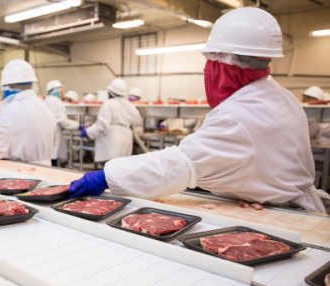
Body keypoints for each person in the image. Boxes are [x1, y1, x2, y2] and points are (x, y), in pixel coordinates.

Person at [67, 8, 326, 213]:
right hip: (271, 203)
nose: (207, 69)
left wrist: (106, 177)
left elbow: (179, 165)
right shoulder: (279, 96)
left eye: (209, 60)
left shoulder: (240, 114)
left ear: (224, 62)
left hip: (276, 213)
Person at [0, 59, 56, 166]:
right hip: (47, 171)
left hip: (21, 174)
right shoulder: (46, 109)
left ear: (7, 88)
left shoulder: (11, 113)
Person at [80, 79, 142, 164]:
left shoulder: (108, 104)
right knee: (122, 167)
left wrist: (88, 131)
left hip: (112, 141)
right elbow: (137, 121)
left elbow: (102, 126)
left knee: (110, 169)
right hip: (127, 139)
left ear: (111, 92)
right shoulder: (130, 105)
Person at [44, 80, 83, 166]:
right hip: (55, 132)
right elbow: (62, 121)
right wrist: (78, 125)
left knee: (50, 155)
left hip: (48, 132)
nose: (63, 94)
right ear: (56, 92)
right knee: (53, 157)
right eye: (61, 92)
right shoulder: (56, 102)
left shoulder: (47, 100)